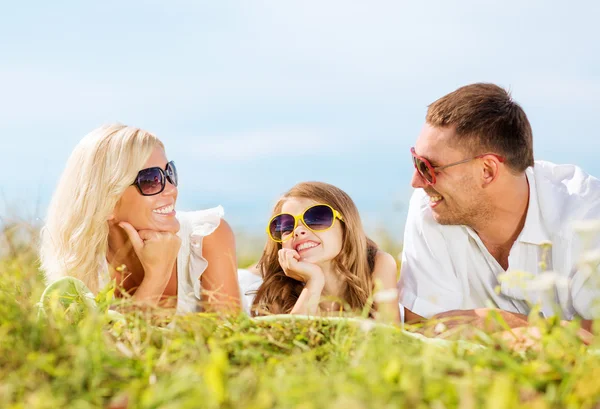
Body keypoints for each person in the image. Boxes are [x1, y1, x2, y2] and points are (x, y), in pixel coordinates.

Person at [399, 83, 600, 330]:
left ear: (488, 170)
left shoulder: (589, 217)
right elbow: (421, 330)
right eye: (415, 160)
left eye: (427, 167)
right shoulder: (430, 209)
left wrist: (503, 324)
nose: (416, 182)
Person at [40, 124, 241, 314]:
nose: (171, 189)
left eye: (169, 173)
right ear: (107, 202)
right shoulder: (83, 266)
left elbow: (232, 339)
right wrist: (157, 276)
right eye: (151, 180)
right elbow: (103, 348)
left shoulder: (207, 237)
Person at [247, 181, 401, 321]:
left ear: (346, 224)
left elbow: (390, 338)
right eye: (286, 226)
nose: (298, 231)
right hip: (246, 281)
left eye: (316, 218)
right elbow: (292, 341)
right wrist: (314, 280)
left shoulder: (378, 264)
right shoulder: (278, 286)